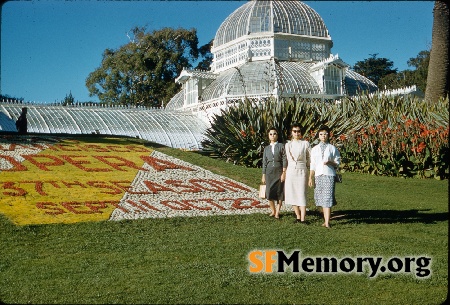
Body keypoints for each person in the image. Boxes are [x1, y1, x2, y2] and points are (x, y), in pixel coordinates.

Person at [308, 125, 341, 228]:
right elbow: (312, 164)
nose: (323, 136)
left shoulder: (332, 148)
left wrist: (330, 162)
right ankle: (325, 220)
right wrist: (310, 177)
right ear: (318, 135)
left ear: (329, 135)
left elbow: (337, 162)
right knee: (321, 197)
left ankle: (327, 222)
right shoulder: (314, 149)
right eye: (321, 134)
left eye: (325, 134)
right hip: (318, 175)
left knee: (327, 197)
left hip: (329, 175)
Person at [284, 123, 310, 223]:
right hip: (291, 171)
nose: (296, 133)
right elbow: (287, 159)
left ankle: (303, 218)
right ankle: (298, 216)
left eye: (298, 131)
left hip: (302, 170)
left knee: (301, 193)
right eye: (294, 131)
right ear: (291, 132)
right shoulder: (288, 145)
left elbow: (309, 157)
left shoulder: (305, 143)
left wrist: (306, 166)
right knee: (292, 193)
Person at [261, 127, 287, 219]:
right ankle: (273, 210)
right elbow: (264, 162)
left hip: (279, 171)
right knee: (269, 192)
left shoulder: (281, 146)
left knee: (279, 192)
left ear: (277, 135)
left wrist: (284, 172)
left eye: (274, 134)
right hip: (269, 172)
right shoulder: (266, 148)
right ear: (268, 136)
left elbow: (284, 159)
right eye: (271, 134)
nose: (273, 135)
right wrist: (263, 175)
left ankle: (277, 212)